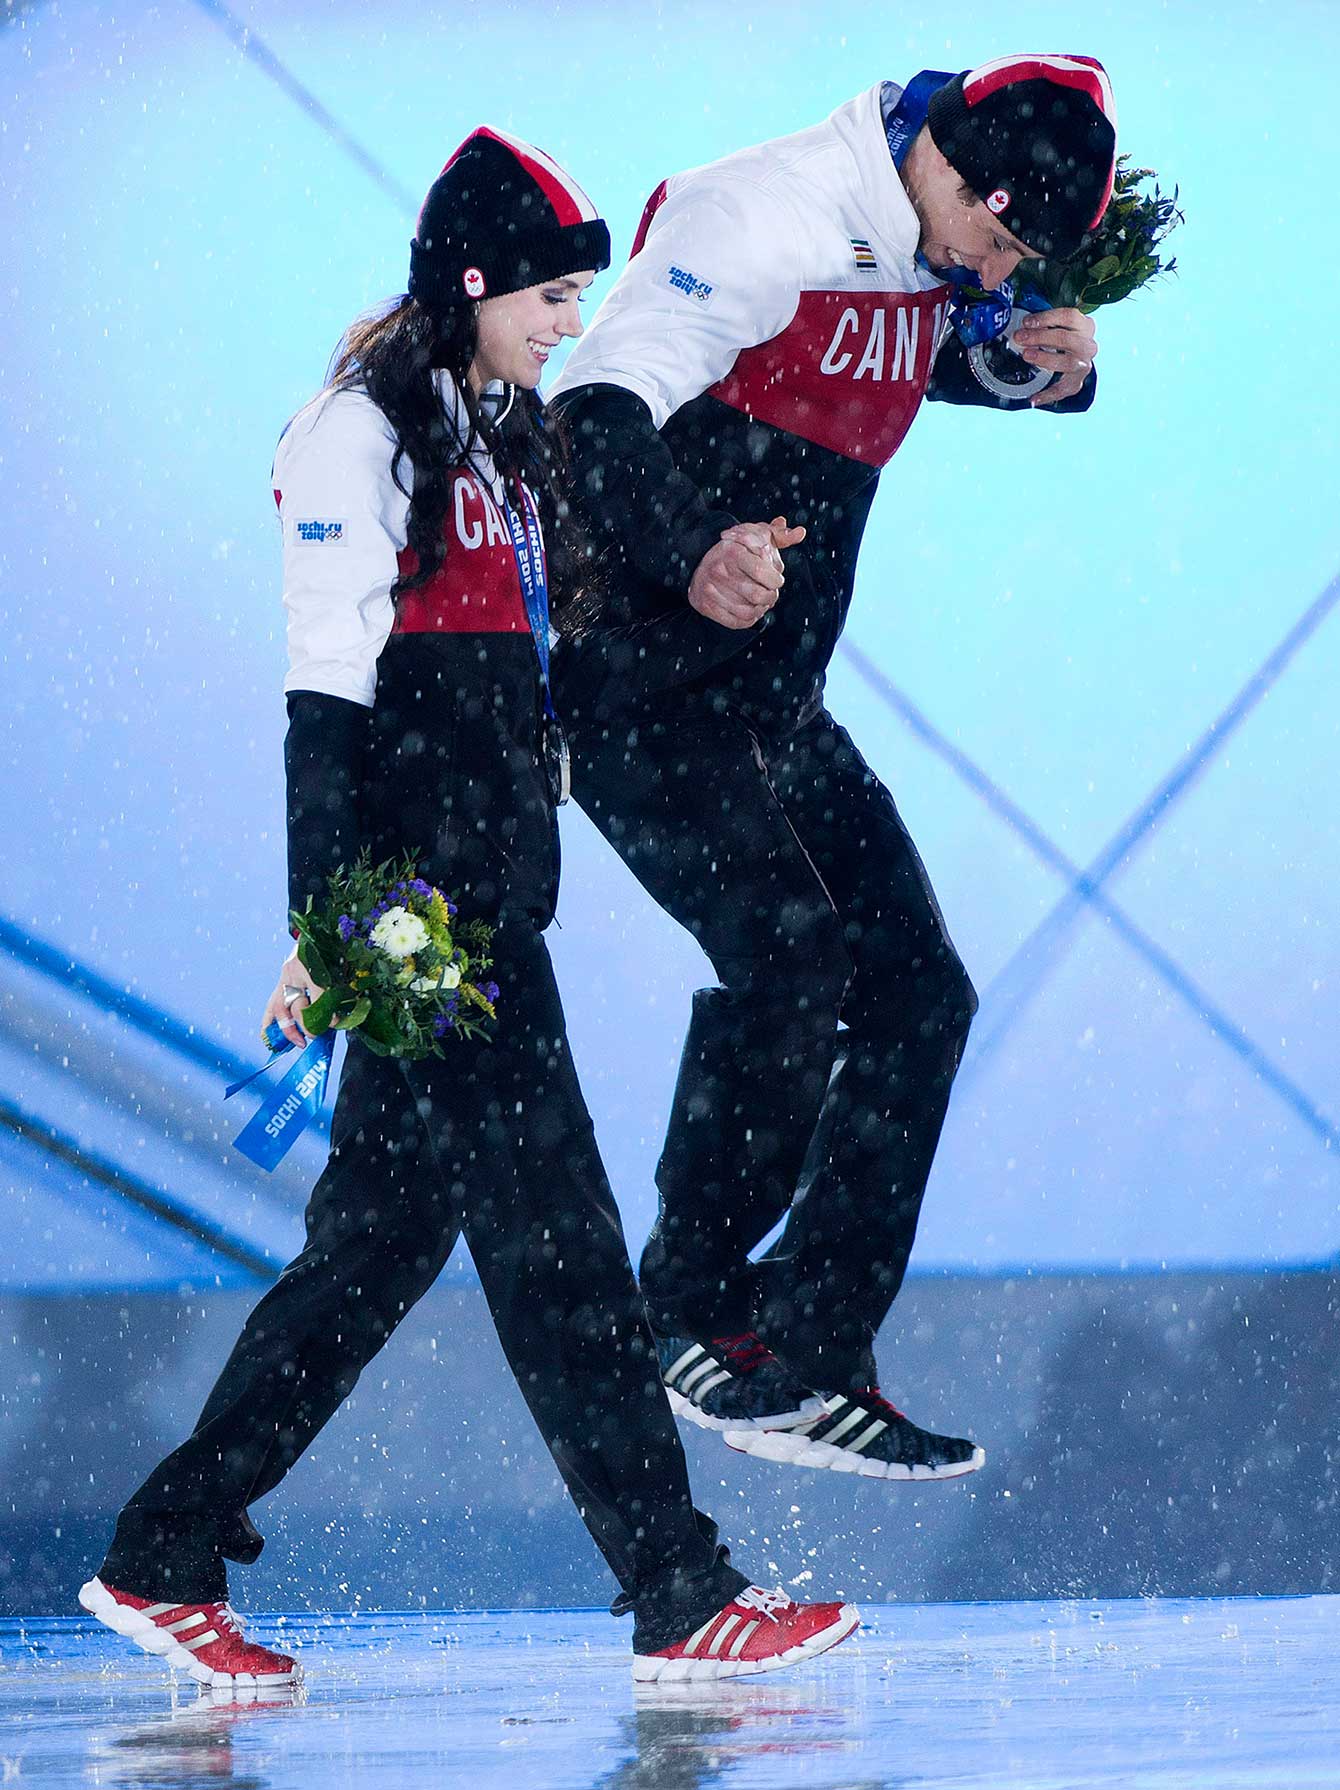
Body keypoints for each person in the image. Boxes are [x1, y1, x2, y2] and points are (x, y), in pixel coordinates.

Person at [77, 127, 859, 1689]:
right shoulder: (353, 437)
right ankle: (680, 1588)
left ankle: (164, 1554)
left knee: (369, 1252)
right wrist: (333, 927)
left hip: (496, 906)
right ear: (479, 281)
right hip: (429, 933)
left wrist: (714, 564)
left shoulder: (495, 438)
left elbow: (538, 671)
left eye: (582, 298)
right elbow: (327, 706)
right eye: (554, 297)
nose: (572, 324)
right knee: (562, 1247)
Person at [547, 57, 1118, 1481]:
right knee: (791, 955)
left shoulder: (928, 232)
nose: (987, 269)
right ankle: (683, 1310)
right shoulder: (761, 214)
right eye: (993, 243)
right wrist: (694, 550)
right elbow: (589, 415)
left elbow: (907, 354)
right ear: (956, 172)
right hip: (640, 680)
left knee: (921, 990)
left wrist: (1032, 371)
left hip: (772, 702)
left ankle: (806, 1349)